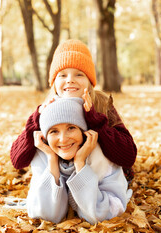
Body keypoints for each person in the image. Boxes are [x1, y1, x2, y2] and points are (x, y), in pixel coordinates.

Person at [10, 39, 137, 182]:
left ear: (89, 81)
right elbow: (17, 161)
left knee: (95, 143)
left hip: (103, 182)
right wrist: (35, 121)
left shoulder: (101, 103)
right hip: (63, 181)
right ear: (54, 82)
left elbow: (129, 157)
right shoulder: (48, 109)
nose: (70, 80)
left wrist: (97, 121)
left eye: (79, 74)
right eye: (62, 75)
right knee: (40, 141)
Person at [26, 97, 132, 224]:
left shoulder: (102, 155)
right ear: (45, 137)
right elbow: (46, 216)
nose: (63, 139)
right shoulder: (43, 155)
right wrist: (52, 161)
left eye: (71, 128)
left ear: (83, 132)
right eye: (54, 131)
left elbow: (102, 215)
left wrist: (80, 164)